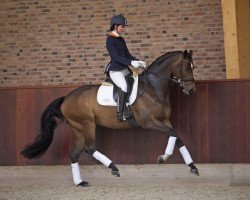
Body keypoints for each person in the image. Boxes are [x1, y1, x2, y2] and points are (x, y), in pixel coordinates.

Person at [106, 14, 147, 122]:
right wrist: (132, 62)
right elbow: (116, 57)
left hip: (124, 69)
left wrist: (138, 61)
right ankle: (121, 113)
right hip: (116, 71)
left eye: (124, 27)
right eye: (122, 26)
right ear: (115, 26)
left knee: (136, 81)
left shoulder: (121, 39)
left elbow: (127, 55)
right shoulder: (110, 40)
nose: (124, 29)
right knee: (123, 86)